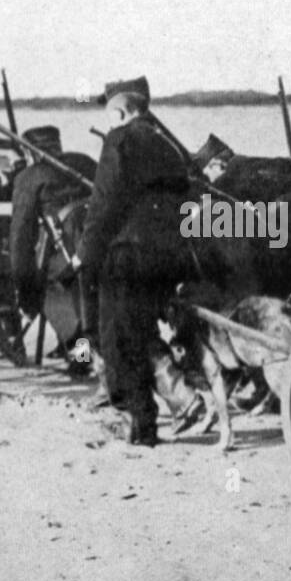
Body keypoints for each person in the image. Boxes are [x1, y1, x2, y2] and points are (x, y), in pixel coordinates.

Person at [58, 76, 195, 445]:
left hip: (127, 256)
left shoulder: (119, 140)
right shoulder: (168, 145)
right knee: (142, 329)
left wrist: (84, 257)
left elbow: (103, 205)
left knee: (118, 338)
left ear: (119, 111)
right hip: (167, 257)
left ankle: (142, 424)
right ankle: (176, 401)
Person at [7, 125, 97, 369]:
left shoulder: (28, 178)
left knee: (47, 286)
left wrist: (24, 287)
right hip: (99, 246)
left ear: (30, 153)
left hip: (67, 257)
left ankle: (81, 357)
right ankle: (76, 349)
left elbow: (20, 239)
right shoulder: (84, 162)